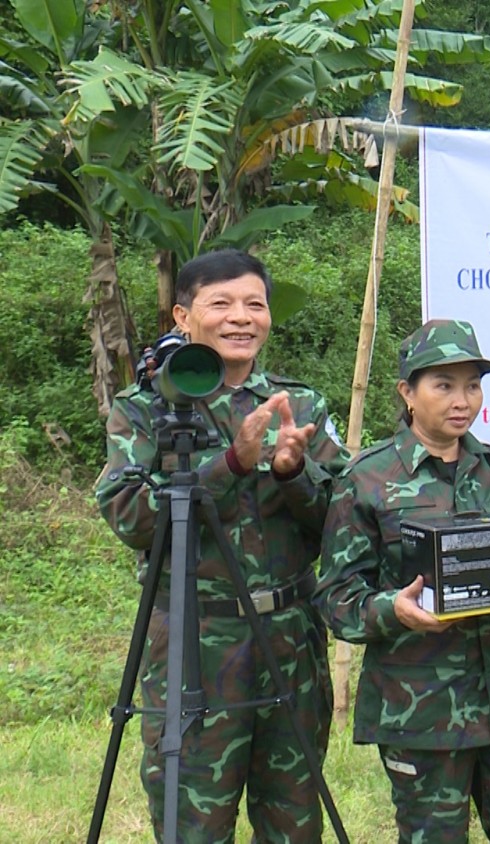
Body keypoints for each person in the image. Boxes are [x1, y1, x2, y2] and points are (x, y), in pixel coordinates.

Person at [96, 248, 349, 841]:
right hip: (195, 644)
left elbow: (342, 521)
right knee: (193, 821)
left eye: (254, 304)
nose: (242, 317)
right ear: (184, 317)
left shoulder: (301, 404)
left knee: (294, 818)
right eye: (222, 304)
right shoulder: (147, 408)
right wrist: (230, 462)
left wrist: (293, 473)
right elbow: (130, 515)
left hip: (291, 638)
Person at [316, 319, 490, 842]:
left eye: (472, 384)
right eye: (443, 385)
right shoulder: (367, 479)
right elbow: (335, 599)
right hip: (420, 710)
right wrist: (392, 609)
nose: (461, 399)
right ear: (407, 392)